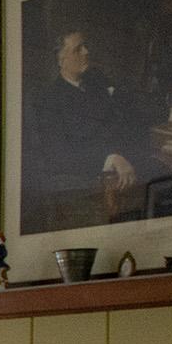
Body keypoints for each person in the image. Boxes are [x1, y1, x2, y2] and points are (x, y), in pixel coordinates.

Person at [22, 26, 153, 233]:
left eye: (86, 46)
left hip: (125, 168)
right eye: (78, 49)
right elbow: (59, 154)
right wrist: (110, 159)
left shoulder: (97, 82)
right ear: (61, 59)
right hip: (86, 180)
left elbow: (126, 117)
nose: (86, 52)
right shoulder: (49, 99)